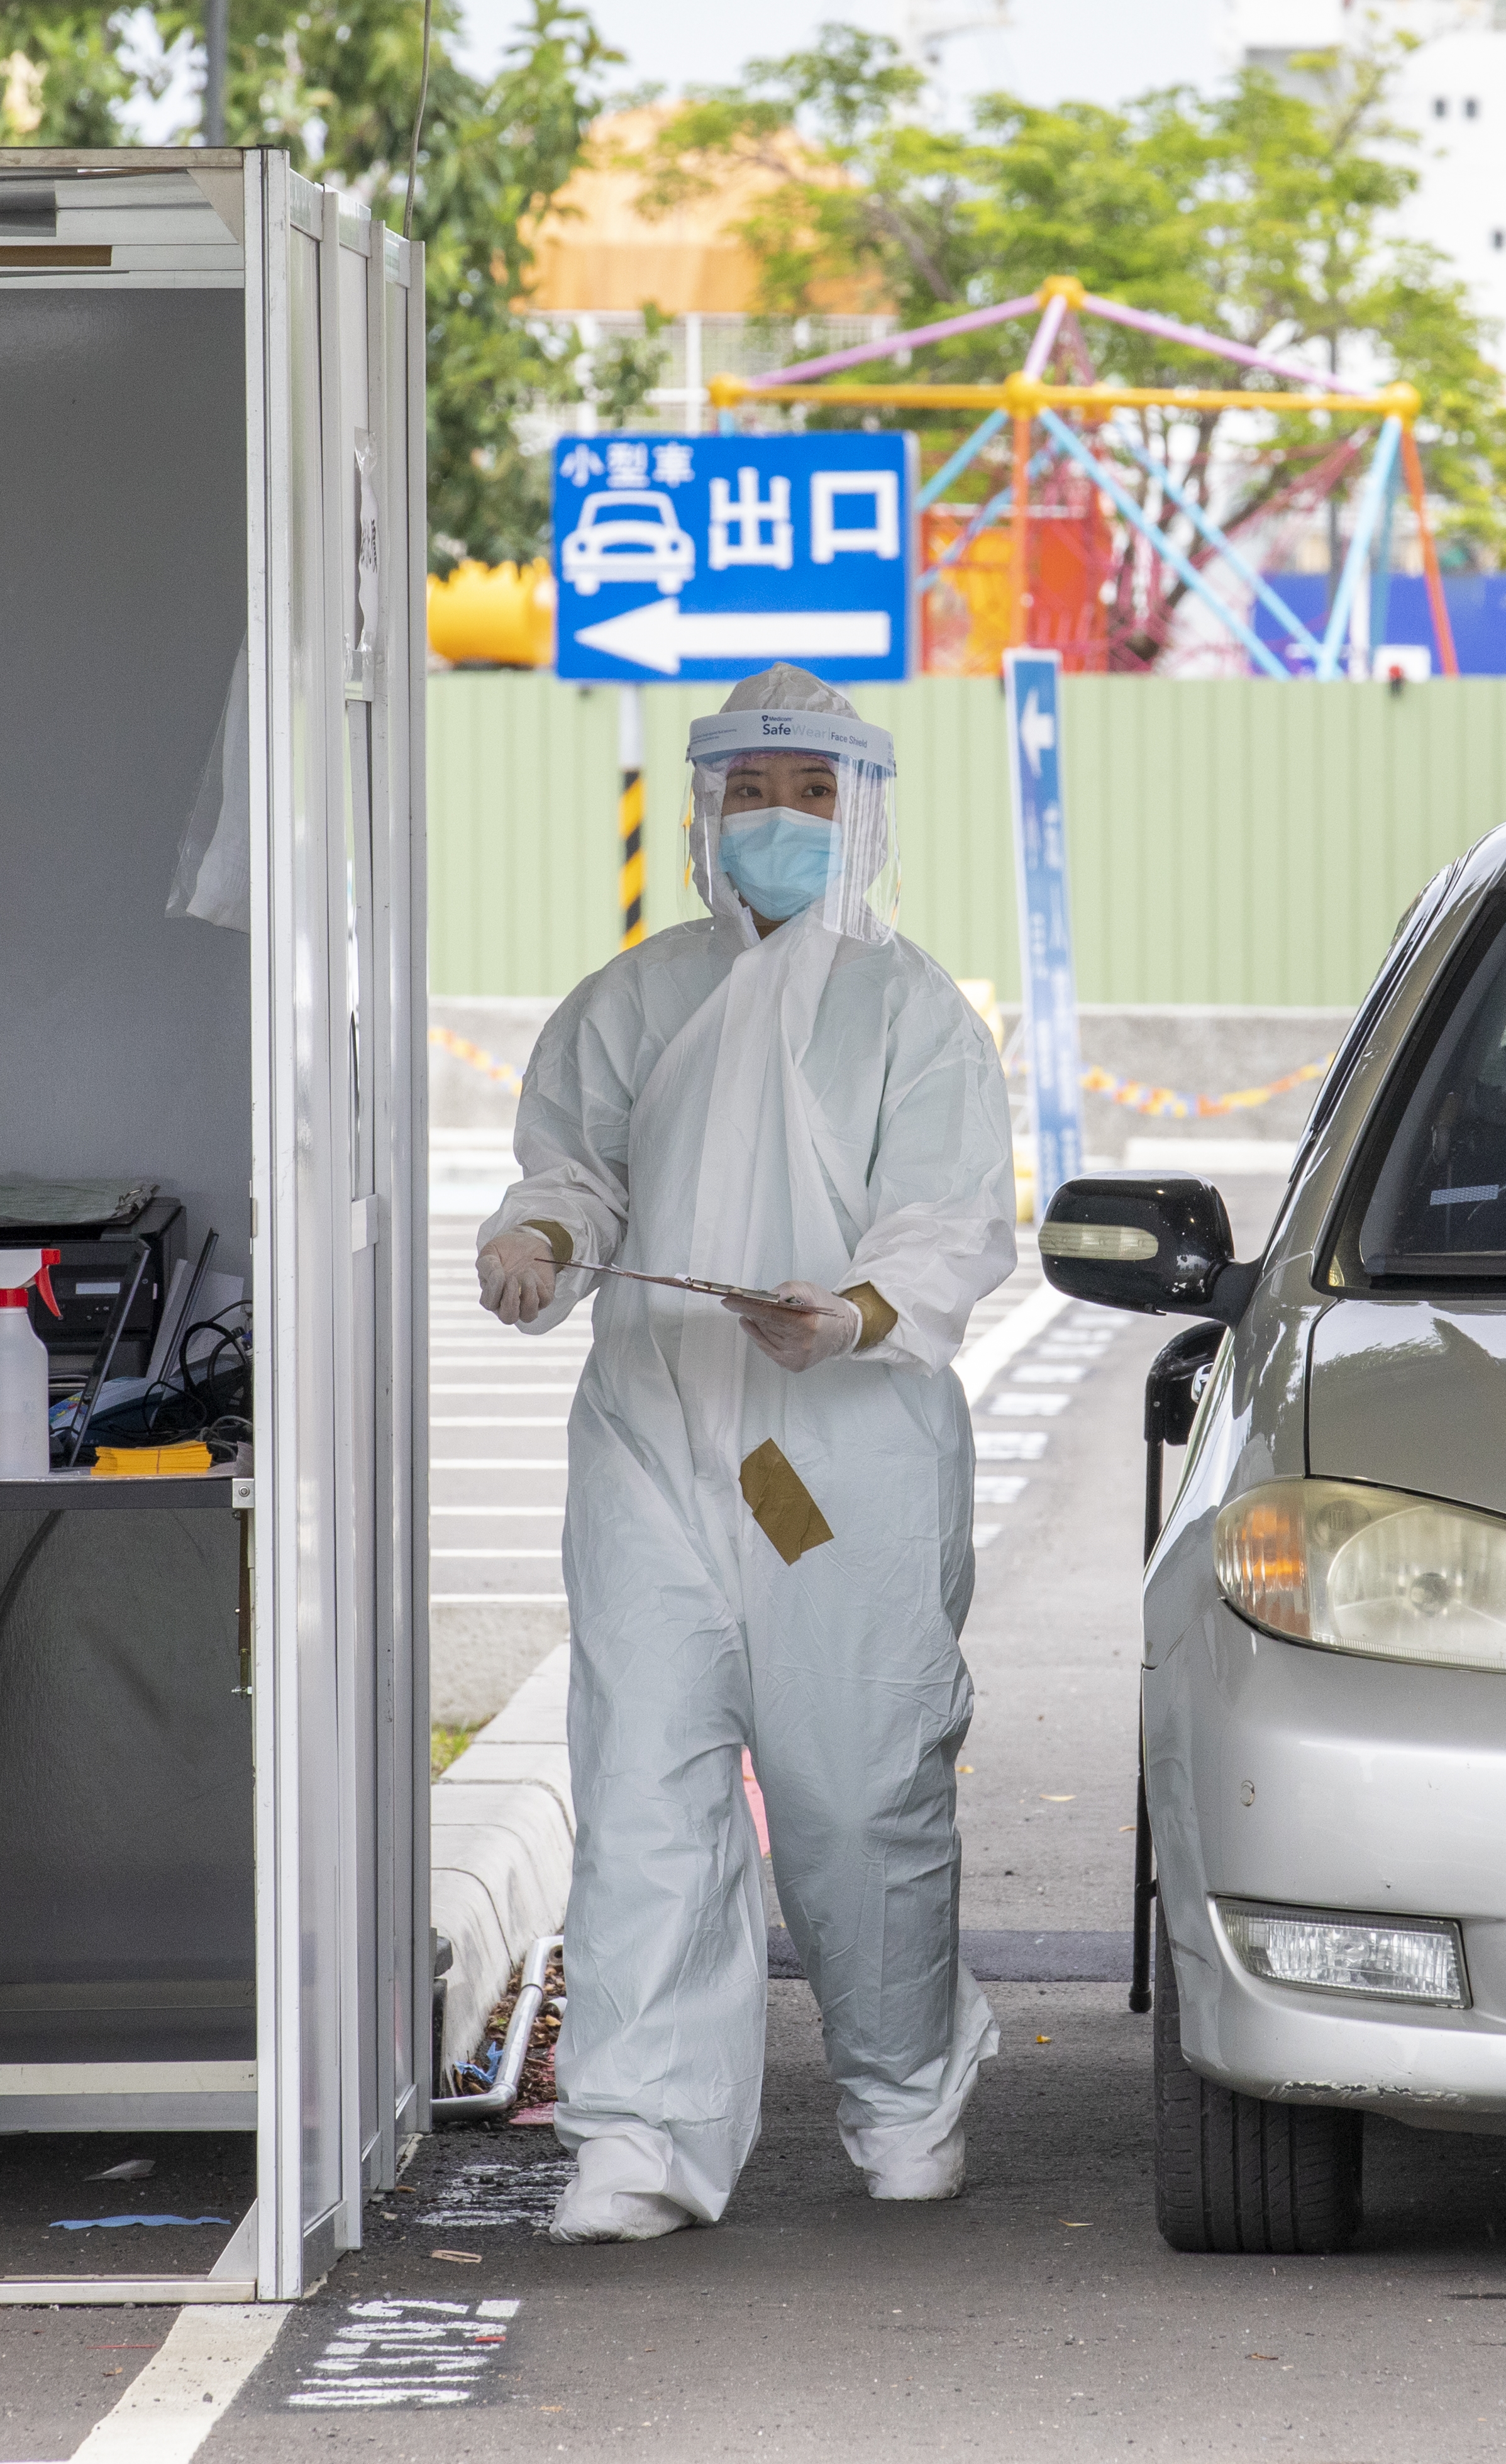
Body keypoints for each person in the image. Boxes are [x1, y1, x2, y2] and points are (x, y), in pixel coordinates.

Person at [474, 666, 1017, 2244]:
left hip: (838, 1462)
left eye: (813, 790)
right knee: (644, 1786)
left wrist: (855, 1312)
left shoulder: (917, 1016)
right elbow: (574, 1168)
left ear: (866, 813)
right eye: (752, 790)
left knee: (856, 1797)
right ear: (707, 810)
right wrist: (537, 1240)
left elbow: (951, 1220)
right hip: (655, 1438)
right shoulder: (634, 997)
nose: (778, 820)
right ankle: (640, 2139)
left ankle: (906, 2095)